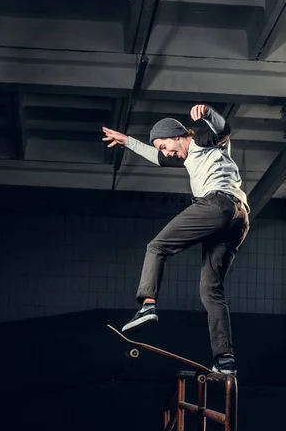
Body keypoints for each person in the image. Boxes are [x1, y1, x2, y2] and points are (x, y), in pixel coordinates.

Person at [102, 104, 249, 375]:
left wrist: (207, 114)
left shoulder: (202, 142)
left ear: (178, 135)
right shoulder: (187, 157)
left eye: (165, 145)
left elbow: (223, 129)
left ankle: (147, 305)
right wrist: (127, 141)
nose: (166, 153)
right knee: (211, 290)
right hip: (238, 220)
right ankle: (225, 360)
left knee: (157, 247)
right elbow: (156, 158)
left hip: (217, 205)